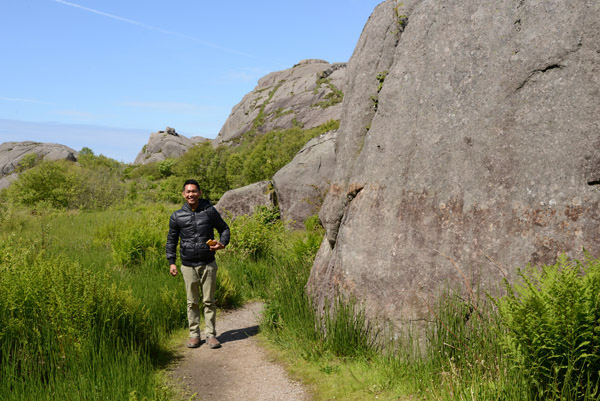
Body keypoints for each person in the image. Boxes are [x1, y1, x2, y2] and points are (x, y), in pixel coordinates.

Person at [166, 179, 230, 349]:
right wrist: (171, 262)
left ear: (200, 193)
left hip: (208, 263)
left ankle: (210, 335)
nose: (191, 194)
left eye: (194, 191)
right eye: (188, 192)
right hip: (187, 265)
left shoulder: (209, 211)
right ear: (183, 194)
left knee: (209, 301)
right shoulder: (177, 216)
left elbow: (224, 229)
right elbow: (171, 240)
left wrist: (222, 243)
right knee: (192, 302)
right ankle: (194, 335)